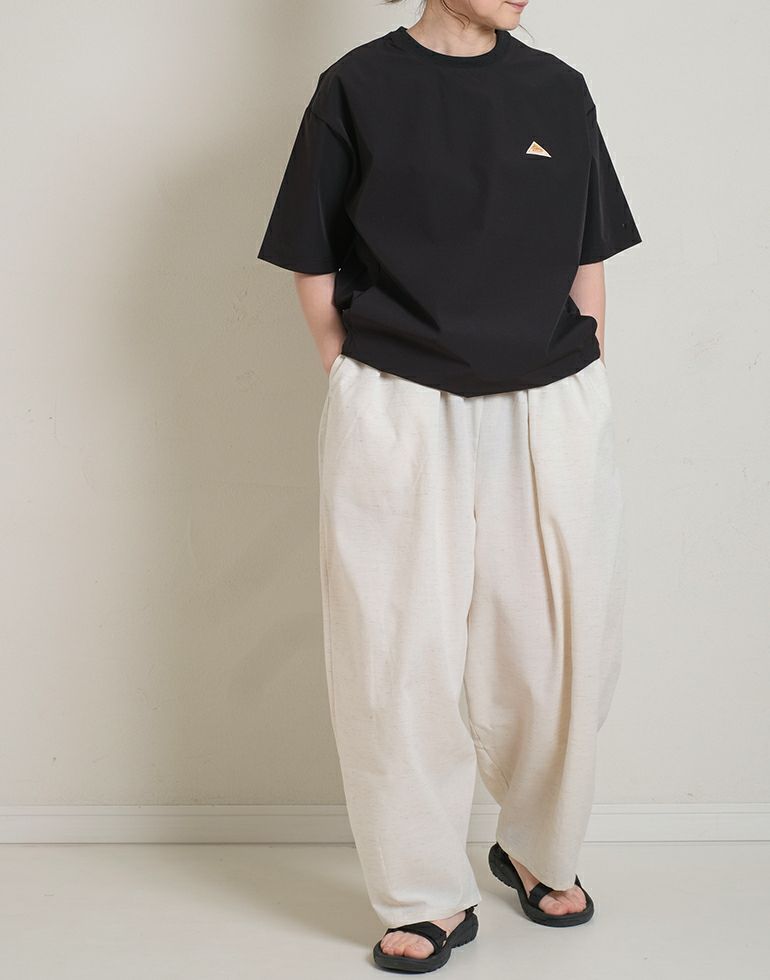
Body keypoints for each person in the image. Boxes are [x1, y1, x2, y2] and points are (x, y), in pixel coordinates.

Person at [257, 0, 642, 972]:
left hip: (549, 400)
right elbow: (311, 257)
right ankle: (422, 893)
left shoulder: (556, 89)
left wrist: (590, 367)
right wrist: (354, 380)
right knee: (396, 650)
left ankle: (538, 845)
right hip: (400, 399)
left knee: (559, 647)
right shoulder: (356, 88)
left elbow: (588, 253)